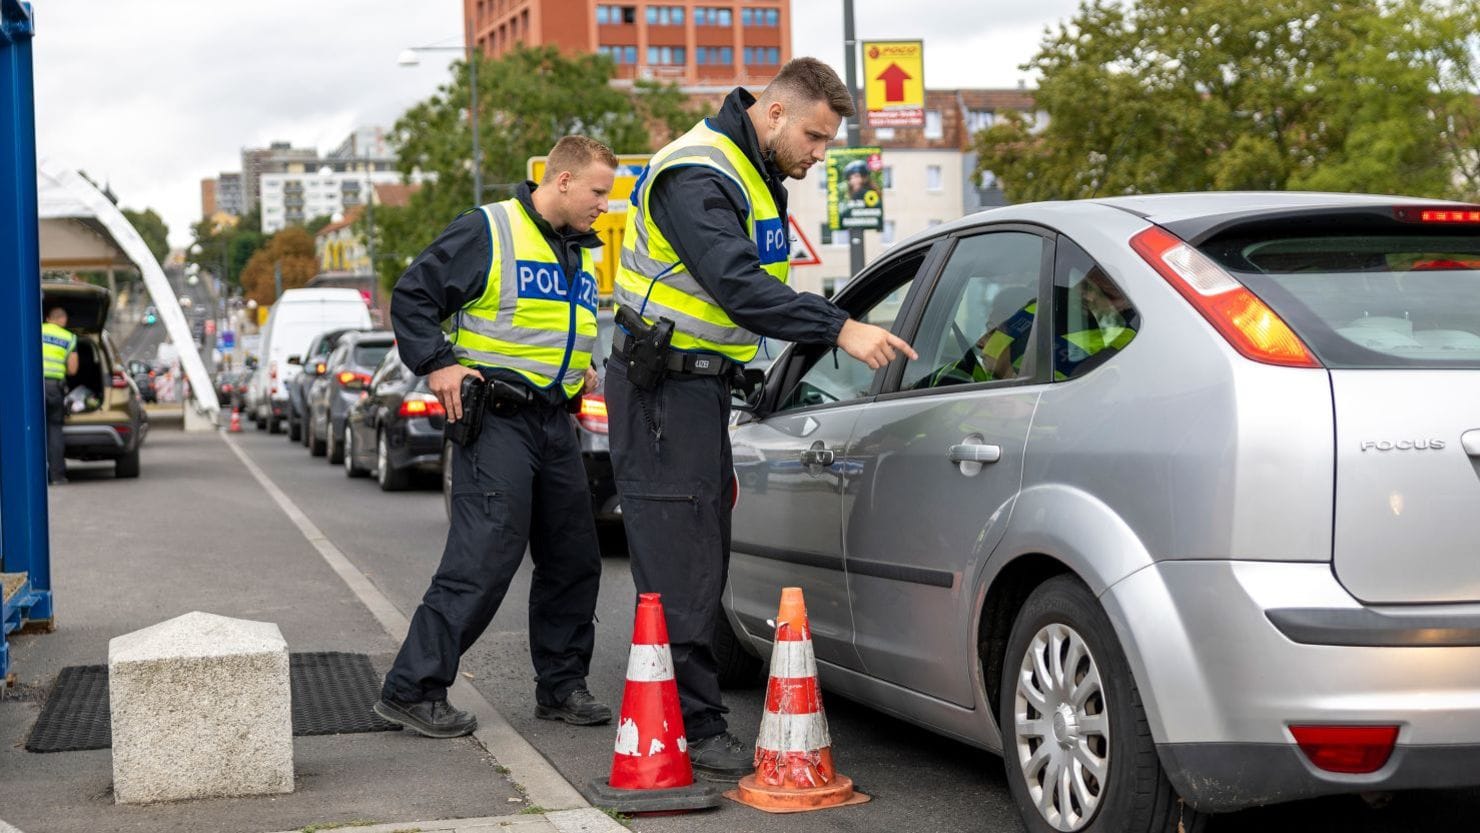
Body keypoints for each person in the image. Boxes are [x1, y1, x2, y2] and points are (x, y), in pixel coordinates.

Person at [608, 57, 917, 777]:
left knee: (701, 547)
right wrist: (839, 328)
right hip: (661, 390)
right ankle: (689, 723)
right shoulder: (698, 172)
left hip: (700, 386)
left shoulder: (753, 172)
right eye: (814, 137)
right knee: (680, 559)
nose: (819, 153)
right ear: (774, 113)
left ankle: (686, 710)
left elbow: (739, 301)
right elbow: (739, 286)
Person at [374, 135, 617, 738]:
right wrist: (438, 362)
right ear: (561, 181)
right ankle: (413, 688)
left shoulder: (578, 250)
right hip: (498, 422)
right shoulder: (490, 229)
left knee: (574, 558)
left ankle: (561, 687)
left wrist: (576, 362)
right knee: (484, 557)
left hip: (555, 420)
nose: (603, 206)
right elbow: (412, 296)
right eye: (597, 191)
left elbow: (557, 323)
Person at [40, 306, 78, 485]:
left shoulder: (35, 330)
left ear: (48, 318)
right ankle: (57, 476)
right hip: (54, 388)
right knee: (54, 429)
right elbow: (73, 369)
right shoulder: (69, 338)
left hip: (33, 387)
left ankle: (33, 477)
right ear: (63, 320)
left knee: (32, 428)